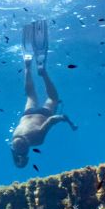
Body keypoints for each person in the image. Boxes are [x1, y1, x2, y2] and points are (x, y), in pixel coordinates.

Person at [10, 19, 77, 168]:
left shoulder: (37, 140)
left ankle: (43, 72)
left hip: (44, 114)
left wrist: (67, 121)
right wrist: (18, 158)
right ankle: (27, 66)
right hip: (27, 114)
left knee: (53, 98)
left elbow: (52, 120)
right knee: (30, 94)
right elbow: (16, 152)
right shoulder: (14, 139)